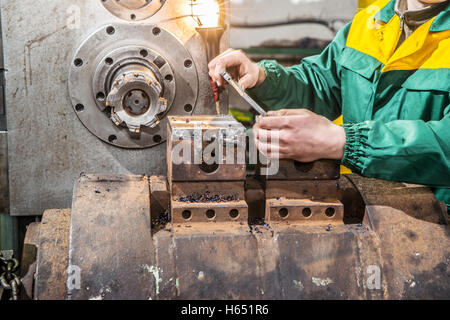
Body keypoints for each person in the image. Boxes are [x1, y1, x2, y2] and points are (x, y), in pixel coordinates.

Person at [208, 0, 450, 211]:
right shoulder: (371, 21)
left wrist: (342, 141)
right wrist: (262, 78)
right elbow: (320, 84)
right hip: (365, 211)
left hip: (437, 226)